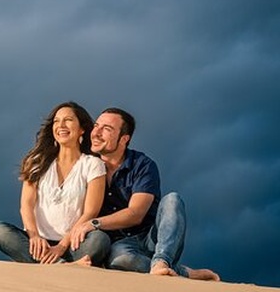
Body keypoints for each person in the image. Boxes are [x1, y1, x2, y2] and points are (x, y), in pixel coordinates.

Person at [71, 107, 220, 281]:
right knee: (122, 261)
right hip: (119, 244)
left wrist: (94, 223)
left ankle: (162, 261)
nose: (96, 133)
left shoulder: (143, 165)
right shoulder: (87, 165)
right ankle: (179, 271)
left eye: (107, 129)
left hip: (151, 237)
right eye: (96, 126)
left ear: (124, 139)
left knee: (172, 200)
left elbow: (136, 214)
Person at [0, 102, 111, 266]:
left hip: (73, 244)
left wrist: (62, 246)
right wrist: (34, 236)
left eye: (68, 120)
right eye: (56, 121)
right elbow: (26, 205)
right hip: (38, 243)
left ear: (82, 129)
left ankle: (55, 262)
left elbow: (90, 212)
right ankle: (62, 265)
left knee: (100, 240)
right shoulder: (38, 162)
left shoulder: (93, 164)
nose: (61, 125)